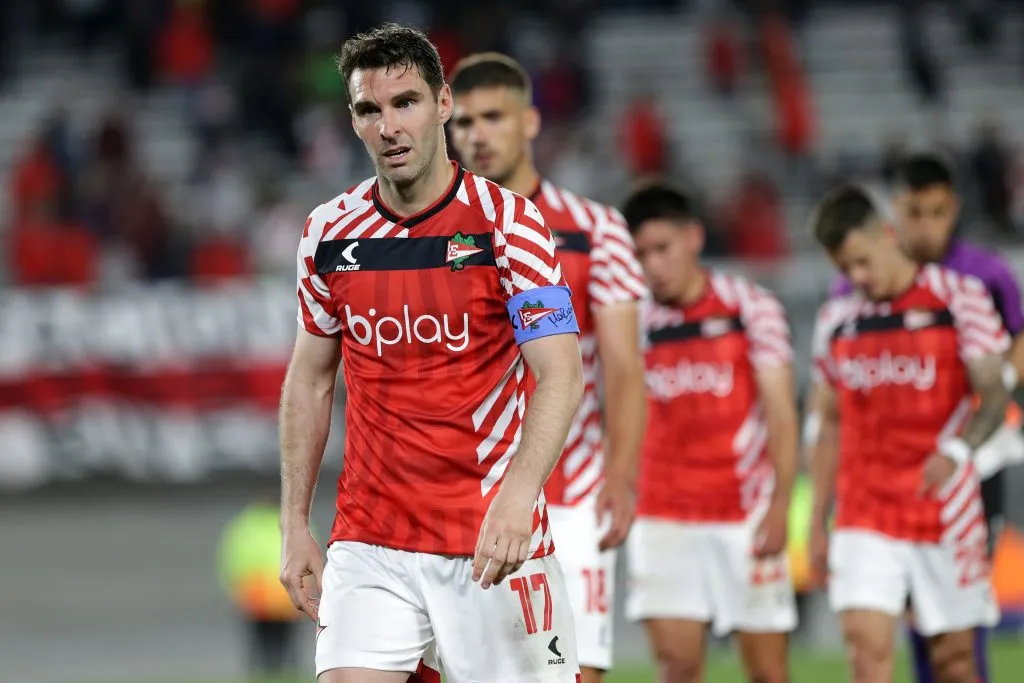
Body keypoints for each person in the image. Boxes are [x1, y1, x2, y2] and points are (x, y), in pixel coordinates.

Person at [277, 24, 585, 683]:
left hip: (489, 536)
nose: (389, 126)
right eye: (369, 109)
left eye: (406, 102)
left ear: (443, 104)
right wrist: (294, 521)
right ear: (353, 119)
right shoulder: (327, 232)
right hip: (371, 537)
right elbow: (309, 379)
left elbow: (560, 370)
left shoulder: (508, 223)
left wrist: (519, 493)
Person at [448, 52, 648, 683]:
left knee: (577, 672)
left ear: (530, 121)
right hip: (468, 494)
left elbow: (622, 366)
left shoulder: (595, 230)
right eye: (464, 122)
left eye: (494, 117)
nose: (477, 135)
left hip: (574, 487)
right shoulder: (436, 235)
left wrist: (620, 472)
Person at [822, 154, 1024, 683]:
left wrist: (966, 445)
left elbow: (1004, 369)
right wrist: (819, 509)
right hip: (867, 504)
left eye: (935, 212)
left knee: (955, 653)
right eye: (915, 211)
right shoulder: (842, 309)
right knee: (869, 652)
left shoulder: (980, 281)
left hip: (957, 487)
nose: (925, 225)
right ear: (896, 216)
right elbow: (826, 418)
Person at [621, 182, 799, 683]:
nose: (652, 264)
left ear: (694, 238)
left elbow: (781, 413)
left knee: (767, 672)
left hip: (743, 511)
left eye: (662, 248)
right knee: (677, 668)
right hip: (662, 514)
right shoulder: (631, 321)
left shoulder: (751, 308)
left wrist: (782, 504)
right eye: (641, 253)